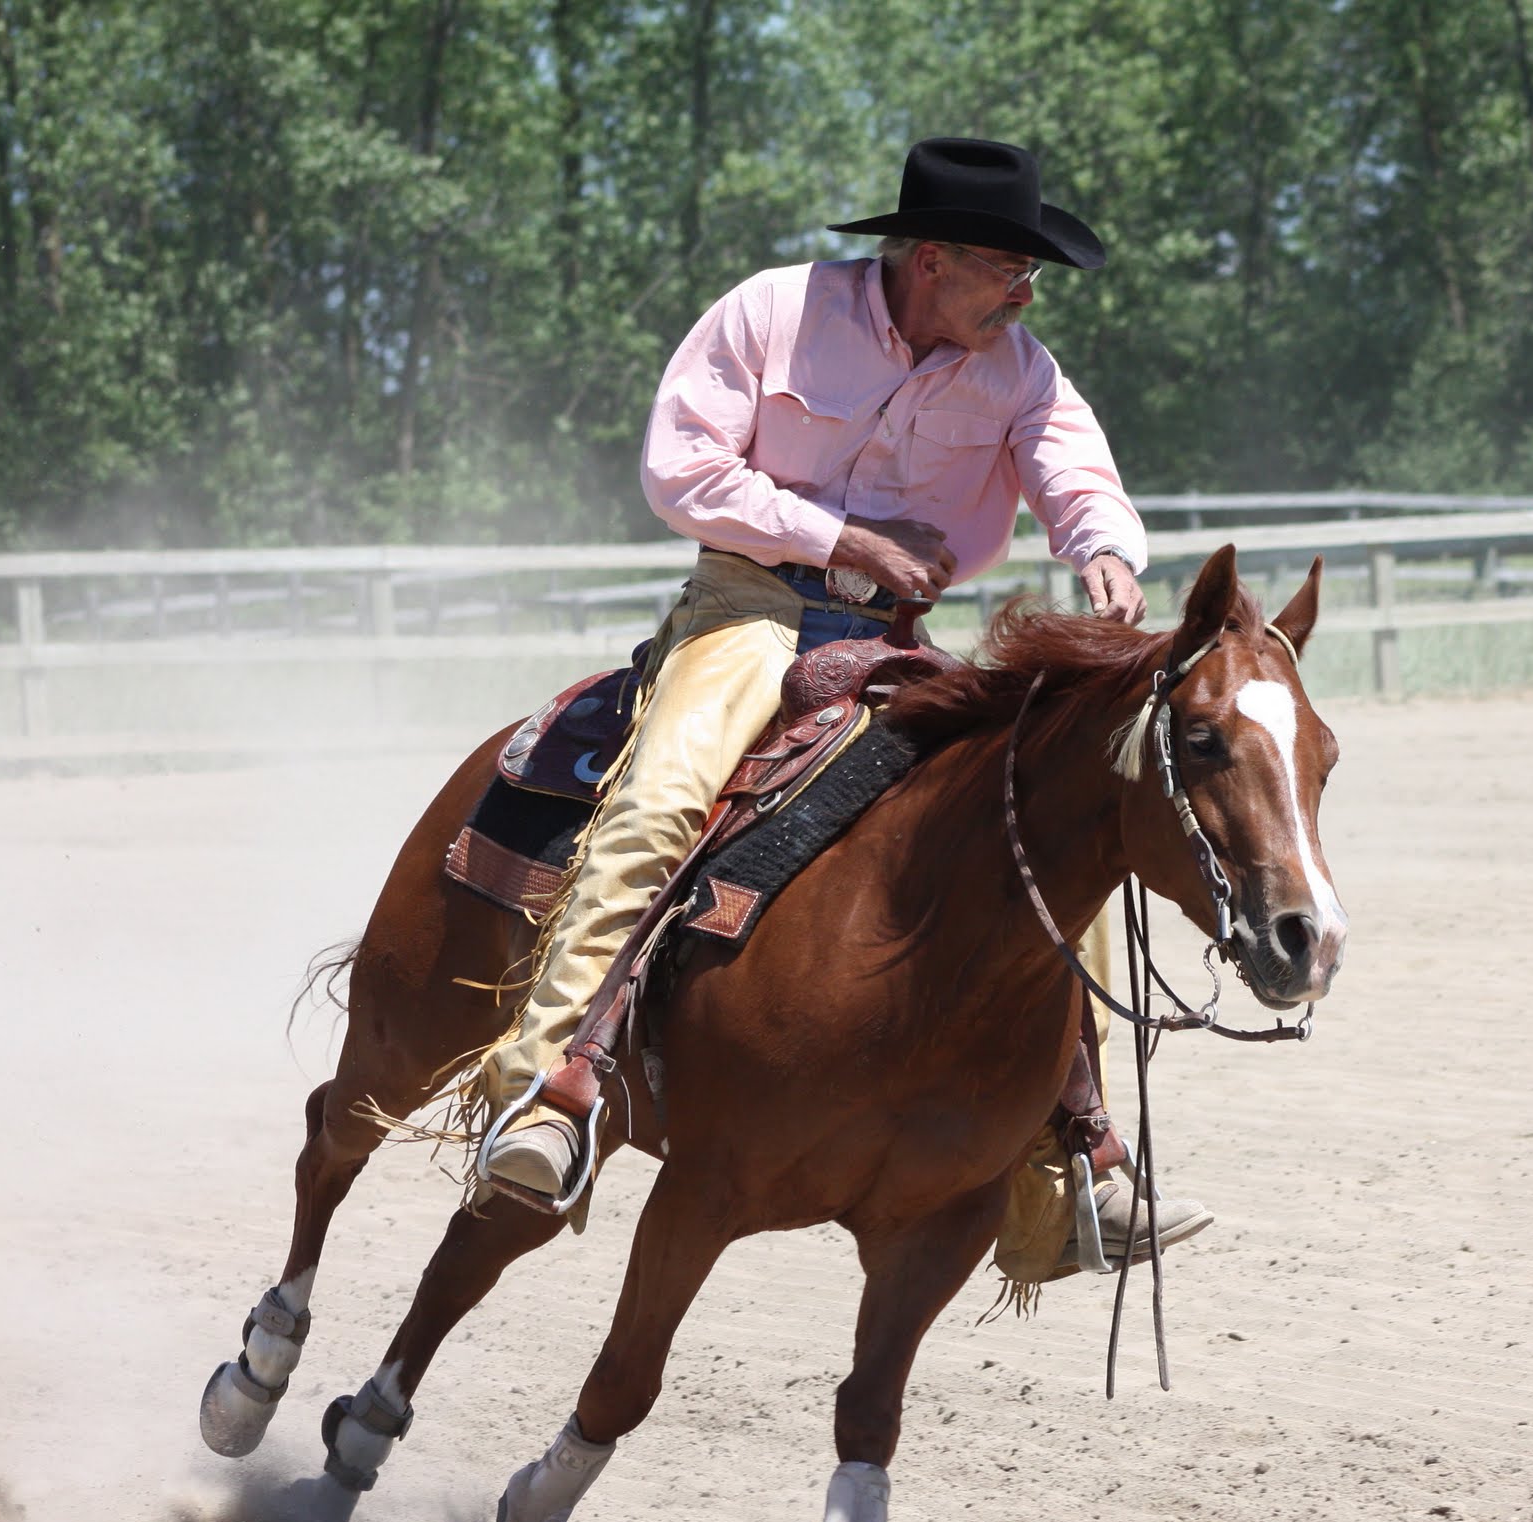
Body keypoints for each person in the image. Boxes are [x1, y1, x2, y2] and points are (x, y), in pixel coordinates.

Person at [471, 136, 1210, 1276]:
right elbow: (683, 468)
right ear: (931, 258)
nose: (1026, 292)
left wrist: (1106, 554)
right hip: (749, 599)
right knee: (662, 794)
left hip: (894, 633)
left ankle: (1073, 1167)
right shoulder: (772, 314)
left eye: (1032, 276)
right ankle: (545, 1092)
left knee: (1054, 830)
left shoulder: (1018, 367)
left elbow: (1076, 475)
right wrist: (842, 537)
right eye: (1009, 268)